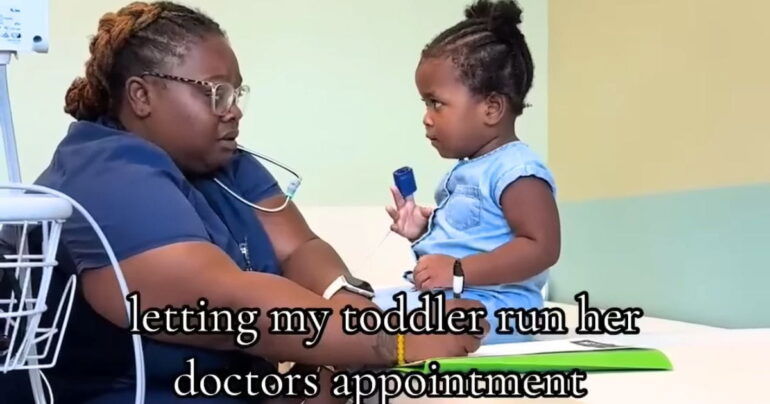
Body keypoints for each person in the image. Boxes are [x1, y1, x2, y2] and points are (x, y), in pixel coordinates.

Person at [0, 2, 488, 403]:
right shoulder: (106, 174)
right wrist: (393, 341)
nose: (232, 109)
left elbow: (300, 249)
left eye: (236, 93)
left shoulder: (223, 162)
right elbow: (231, 307)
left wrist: (347, 303)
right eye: (215, 92)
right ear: (141, 96)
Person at [376, 0, 561, 345]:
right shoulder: (469, 169)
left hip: (501, 308)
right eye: (425, 104)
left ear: (491, 108)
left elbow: (542, 248)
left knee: (377, 325)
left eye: (436, 103)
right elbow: (471, 241)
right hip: (459, 299)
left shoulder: (517, 170)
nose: (427, 117)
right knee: (355, 312)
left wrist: (458, 271)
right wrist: (421, 234)